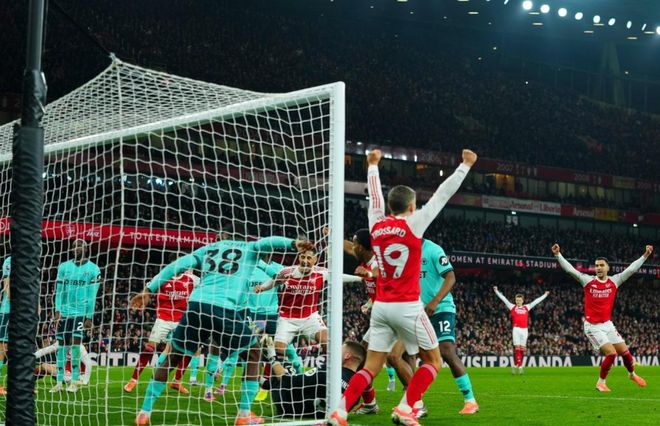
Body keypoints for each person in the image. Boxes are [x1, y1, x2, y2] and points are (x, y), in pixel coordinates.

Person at [328, 148, 476, 426]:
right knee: (434, 361)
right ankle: (407, 407)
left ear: (390, 206)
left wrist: (373, 165)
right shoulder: (415, 224)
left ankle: (340, 411)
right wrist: (465, 166)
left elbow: (374, 198)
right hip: (408, 306)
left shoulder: (376, 225)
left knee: (371, 367)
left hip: (381, 308)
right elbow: (442, 195)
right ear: (411, 206)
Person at [132, 232, 313, 426]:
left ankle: (144, 412)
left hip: (196, 306)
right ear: (241, 236)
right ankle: (244, 414)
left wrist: (148, 289)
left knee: (172, 357)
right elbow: (268, 242)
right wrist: (293, 243)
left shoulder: (207, 249)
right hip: (223, 309)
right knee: (253, 353)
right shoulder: (249, 248)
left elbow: (177, 265)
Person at [552, 243, 653, 392]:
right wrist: (557, 255)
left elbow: (631, 269)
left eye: (601, 265)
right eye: (596, 266)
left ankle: (632, 374)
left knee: (625, 353)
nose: (598, 268)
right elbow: (570, 270)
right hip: (592, 326)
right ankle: (601, 383)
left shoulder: (614, 281)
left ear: (607, 268)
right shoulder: (588, 281)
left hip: (607, 324)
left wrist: (645, 255)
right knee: (611, 354)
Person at [255, 249, 361, 359]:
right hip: (287, 319)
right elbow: (274, 280)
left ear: (315, 260)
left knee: (328, 342)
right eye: (303, 257)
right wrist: (262, 287)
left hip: (310, 317)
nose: (305, 261)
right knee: (279, 351)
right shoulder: (287, 272)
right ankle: (284, 369)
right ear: (299, 258)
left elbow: (339, 276)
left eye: (309, 258)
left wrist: (360, 279)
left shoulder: (321, 272)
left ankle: (328, 367)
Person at [420, 239, 478, 414]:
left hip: (441, 308)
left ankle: (470, 401)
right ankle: (414, 403)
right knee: (413, 355)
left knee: (446, 351)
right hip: (419, 311)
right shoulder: (405, 252)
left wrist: (435, 300)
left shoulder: (433, 250)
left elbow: (451, 277)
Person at [124, 269, 199, 393]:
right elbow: (148, 290)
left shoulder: (192, 279)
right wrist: (143, 299)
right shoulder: (162, 277)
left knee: (190, 349)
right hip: (163, 319)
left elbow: (207, 287)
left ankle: (177, 381)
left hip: (181, 320)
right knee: (150, 348)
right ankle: (133, 380)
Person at [260, 336, 366, 419]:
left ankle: (260, 378)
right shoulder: (355, 394)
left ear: (347, 356)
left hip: (286, 404)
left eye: (340, 350)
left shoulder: (327, 372)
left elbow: (288, 381)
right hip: (312, 412)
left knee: (287, 366)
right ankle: (264, 382)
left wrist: (272, 356)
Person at [51, 239, 101, 393]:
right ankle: (59, 382)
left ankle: (73, 381)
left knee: (75, 346)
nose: (76, 248)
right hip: (64, 313)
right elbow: (59, 291)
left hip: (79, 313)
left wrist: (89, 316)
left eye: (79, 246)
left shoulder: (94, 269)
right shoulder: (64, 267)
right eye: (74, 246)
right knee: (61, 347)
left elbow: (92, 295)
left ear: (86, 249)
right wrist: (57, 310)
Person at [493, 286, 549, 374]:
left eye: (519, 300)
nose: (518, 302)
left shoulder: (527, 307)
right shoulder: (512, 307)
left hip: (524, 330)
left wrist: (545, 295)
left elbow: (536, 301)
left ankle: (516, 365)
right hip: (516, 329)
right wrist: (496, 291)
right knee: (517, 348)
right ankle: (520, 366)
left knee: (522, 349)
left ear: (522, 300)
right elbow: (504, 299)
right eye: (516, 300)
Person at [0, 255, 10, 395]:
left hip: (24, 313)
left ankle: (19, 385)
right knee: (2, 346)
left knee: (21, 346)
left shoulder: (30, 262)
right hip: (8, 311)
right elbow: (7, 290)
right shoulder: (9, 261)